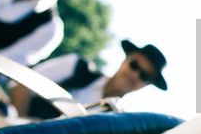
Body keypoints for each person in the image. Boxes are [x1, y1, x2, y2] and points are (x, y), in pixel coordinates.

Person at [12, 39, 168, 119]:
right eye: (134, 65)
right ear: (124, 60)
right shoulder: (76, 66)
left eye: (144, 76)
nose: (135, 75)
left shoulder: (117, 121)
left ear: (145, 85)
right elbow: (22, 84)